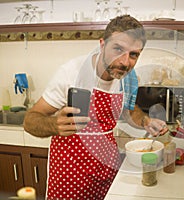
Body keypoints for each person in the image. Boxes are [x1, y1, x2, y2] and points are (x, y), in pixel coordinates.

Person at [24, 15, 168, 200]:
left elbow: (130, 110)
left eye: (133, 54)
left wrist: (145, 121)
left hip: (107, 167)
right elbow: (30, 120)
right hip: (71, 173)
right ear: (102, 45)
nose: (125, 62)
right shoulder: (71, 72)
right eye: (118, 49)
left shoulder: (128, 78)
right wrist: (54, 125)